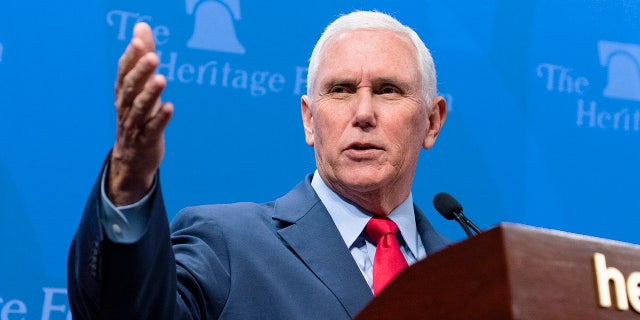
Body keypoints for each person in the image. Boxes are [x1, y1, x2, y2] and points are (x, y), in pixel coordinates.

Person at [68, 10, 451, 319]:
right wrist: (129, 181)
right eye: (340, 90)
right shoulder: (227, 244)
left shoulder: (476, 274)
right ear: (309, 120)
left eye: (388, 90)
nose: (363, 113)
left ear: (431, 122)